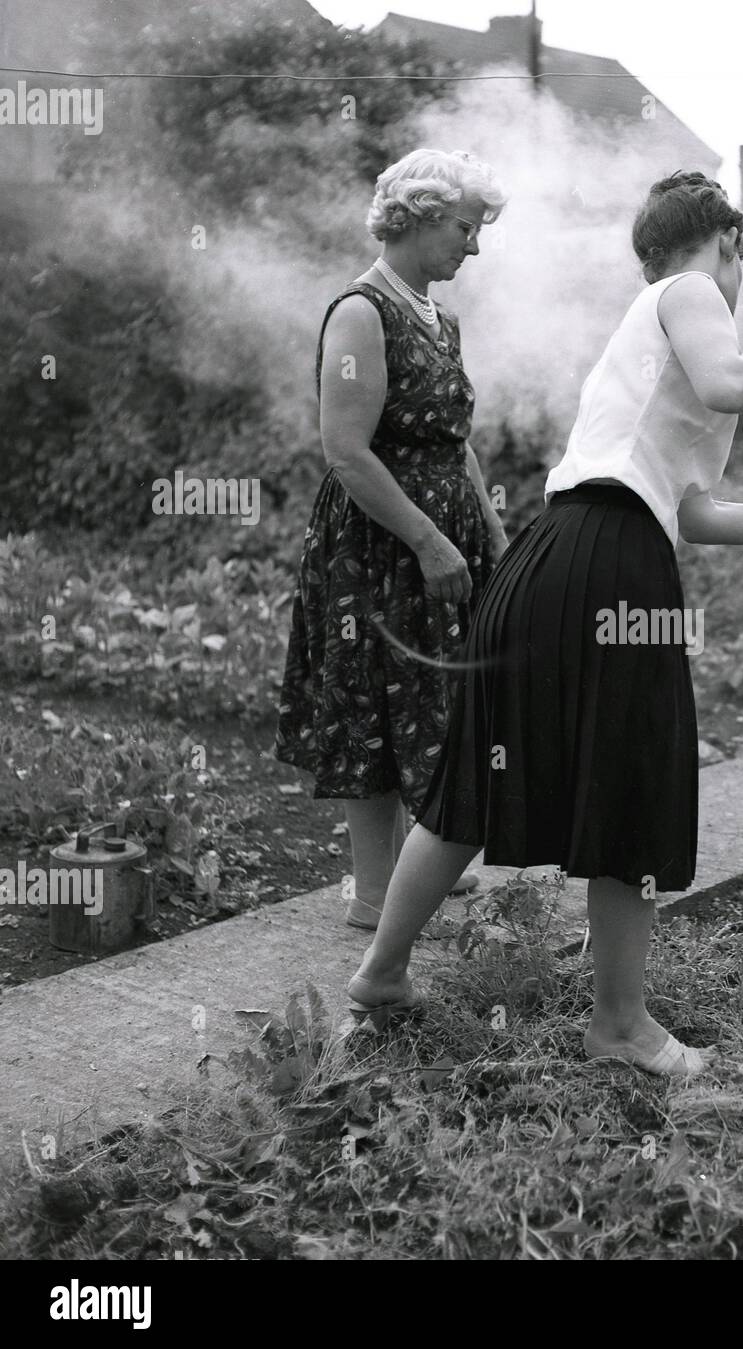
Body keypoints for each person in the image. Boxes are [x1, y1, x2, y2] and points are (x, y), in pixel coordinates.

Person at [344, 170, 743, 1075]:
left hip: (556, 555)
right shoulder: (686, 292)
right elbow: (728, 385)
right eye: (739, 264)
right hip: (608, 566)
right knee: (633, 783)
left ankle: (380, 977)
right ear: (726, 244)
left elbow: (696, 512)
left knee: (482, 775)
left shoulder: (656, 336)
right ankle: (620, 1027)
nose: (738, 287)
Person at [274, 149, 510, 930]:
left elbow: (456, 441)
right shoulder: (362, 312)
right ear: (417, 215)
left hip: (440, 533)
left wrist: (490, 531)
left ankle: (417, 868)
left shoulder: (437, 313)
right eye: (465, 228)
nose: (473, 246)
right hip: (380, 543)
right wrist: (427, 541)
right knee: (376, 704)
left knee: (437, 699)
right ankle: (375, 894)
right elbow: (346, 451)